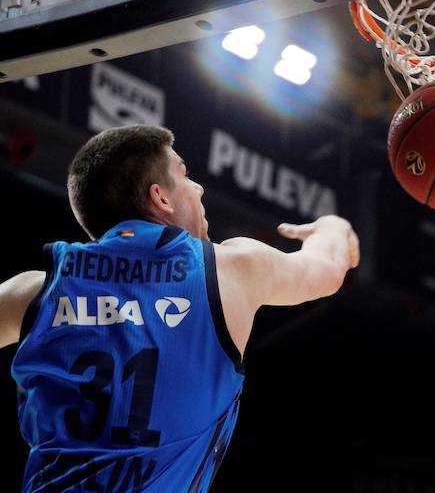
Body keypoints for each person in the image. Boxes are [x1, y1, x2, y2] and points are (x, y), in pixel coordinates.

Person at [0, 125, 359, 492]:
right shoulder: (228, 270)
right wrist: (332, 226)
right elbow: (329, 271)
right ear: (161, 198)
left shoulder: (32, 292)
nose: (199, 188)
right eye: (186, 175)